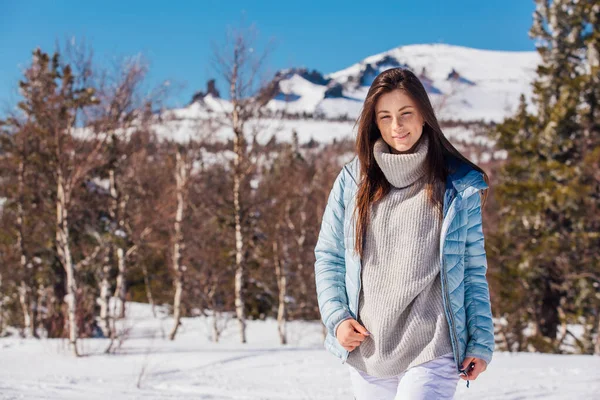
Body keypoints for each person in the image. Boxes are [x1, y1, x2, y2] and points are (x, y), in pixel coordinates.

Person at [314, 67, 495, 400]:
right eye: (385, 117)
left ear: (424, 115)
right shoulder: (353, 181)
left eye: (405, 114)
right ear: (374, 123)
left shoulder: (456, 184)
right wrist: (337, 318)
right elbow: (329, 256)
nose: (396, 127)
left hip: (433, 343)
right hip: (369, 347)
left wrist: (480, 339)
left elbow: (471, 270)